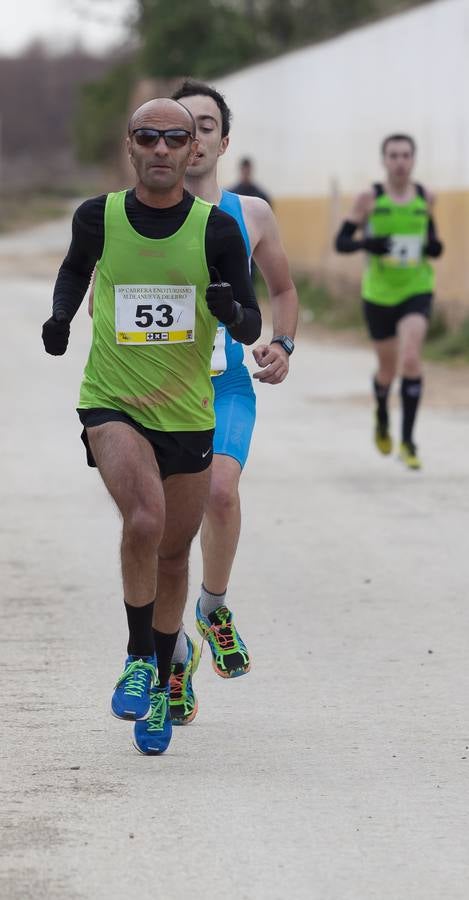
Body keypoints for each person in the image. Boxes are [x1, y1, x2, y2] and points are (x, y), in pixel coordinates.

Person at [41, 98, 261, 755]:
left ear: (195, 146)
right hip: (112, 402)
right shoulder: (98, 217)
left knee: (172, 554)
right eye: (149, 137)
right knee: (143, 519)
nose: (163, 149)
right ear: (130, 147)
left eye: (176, 137)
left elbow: (249, 320)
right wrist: (60, 317)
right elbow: (75, 270)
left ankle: (165, 680)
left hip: (188, 412)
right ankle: (140, 657)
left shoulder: (215, 231)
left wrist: (232, 310)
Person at [167, 79, 298, 725]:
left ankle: (212, 608)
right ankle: (170, 655)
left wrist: (284, 345)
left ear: (223, 140)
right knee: (161, 527)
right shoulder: (139, 213)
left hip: (225, 385)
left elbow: (283, 292)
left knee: (220, 493)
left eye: (206, 125)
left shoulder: (251, 214)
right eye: (180, 127)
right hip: (160, 388)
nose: (194, 138)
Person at [335, 133, 443, 470]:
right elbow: (341, 242)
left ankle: (409, 442)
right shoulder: (369, 198)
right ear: (384, 161)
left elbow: (431, 238)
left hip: (417, 288)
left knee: (411, 358)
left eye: (406, 155)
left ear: (414, 159)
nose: (400, 162)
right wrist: (369, 244)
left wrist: (433, 247)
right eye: (393, 155)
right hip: (379, 294)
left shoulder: (426, 196)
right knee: (387, 370)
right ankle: (382, 412)